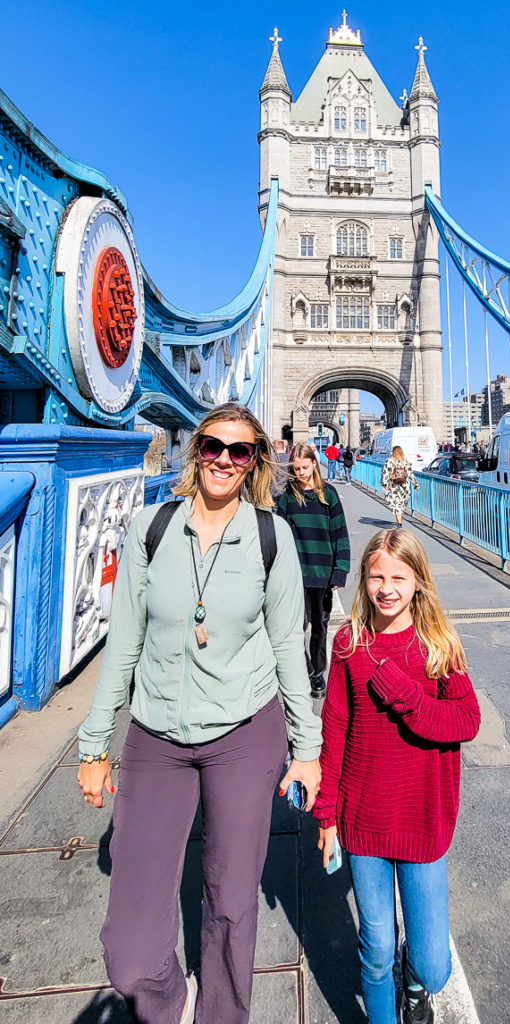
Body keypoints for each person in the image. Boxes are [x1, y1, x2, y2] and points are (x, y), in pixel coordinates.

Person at [76, 403, 322, 1024]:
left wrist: (308, 750)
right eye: (212, 445)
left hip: (245, 732)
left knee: (232, 905)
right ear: (195, 451)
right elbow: (123, 640)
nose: (223, 460)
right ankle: (166, 1000)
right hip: (157, 734)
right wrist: (95, 744)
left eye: (240, 452)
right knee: (128, 949)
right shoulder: (150, 528)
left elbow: (289, 646)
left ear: (255, 463)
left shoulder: (273, 537)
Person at [314, 529, 480, 1024]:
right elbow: (335, 732)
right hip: (364, 822)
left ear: (418, 581)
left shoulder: (437, 645)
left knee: (431, 966)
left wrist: (404, 695)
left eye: (398, 577)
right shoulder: (348, 645)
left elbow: (466, 720)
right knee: (376, 948)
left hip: (423, 823)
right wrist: (326, 818)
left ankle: (415, 989)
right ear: (364, 580)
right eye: (376, 577)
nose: (386, 588)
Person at [276, 443, 350, 699]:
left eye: (304, 467)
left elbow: (340, 534)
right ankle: (304, 669)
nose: (300, 473)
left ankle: (317, 675)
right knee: (296, 627)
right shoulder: (286, 496)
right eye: (296, 469)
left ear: (314, 464)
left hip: (322, 573)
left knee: (319, 626)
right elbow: (280, 535)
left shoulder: (328, 495)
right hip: (296, 574)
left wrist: (340, 571)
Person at [381, 445, 419, 528]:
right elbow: (410, 473)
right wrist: (416, 484)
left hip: (393, 485)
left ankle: (399, 522)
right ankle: (399, 520)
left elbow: (385, 473)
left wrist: (384, 484)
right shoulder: (405, 461)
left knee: (395, 504)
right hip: (405, 486)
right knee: (401, 504)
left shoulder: (389, 461)